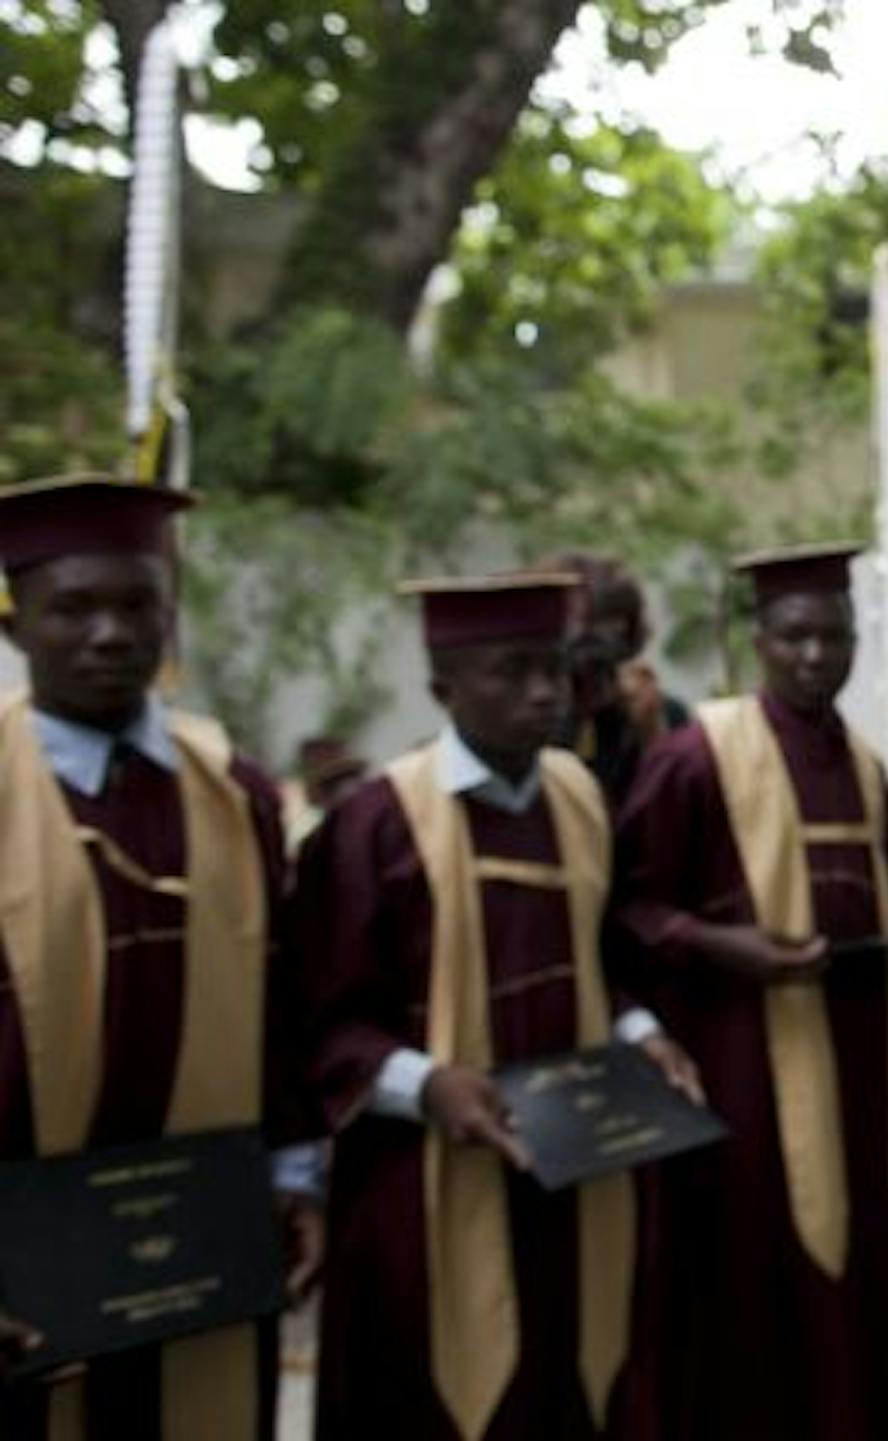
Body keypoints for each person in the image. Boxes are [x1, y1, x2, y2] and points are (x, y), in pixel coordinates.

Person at [296, 572, 699, 1441]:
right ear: (442, 687)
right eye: (511, 672)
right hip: (432, 1179)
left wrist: (645, 1031)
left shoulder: (582, 797)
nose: (545, 692)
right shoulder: (376, 823)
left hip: (580, 1163)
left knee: (580, 1376)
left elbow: (609, 956)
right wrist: (427, 1083)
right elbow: (322, 1017)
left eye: (554, 669)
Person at [0, 474, 318, 1440]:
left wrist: (297, 1179)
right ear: (17, 627)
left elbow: (282, 1004)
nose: (109, 633)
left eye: (138, 603)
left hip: (201, 1249)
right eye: (73, 608)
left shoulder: (237, 795)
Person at [611, 543, 888, 1440]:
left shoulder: (864, 765)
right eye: (795, 635)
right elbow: (627, 908)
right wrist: (716, 943)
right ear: (759, 640)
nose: (816, 654)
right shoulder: (696, 754)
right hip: (741, 1072)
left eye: (835, 633)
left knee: (853, 1287)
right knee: (753, 1299)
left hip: (860, 1067)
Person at [547, 553, 690, 811]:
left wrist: (652, 735)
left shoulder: (660, 713)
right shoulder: (531, 717)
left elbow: (679, 816)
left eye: (614, 625)